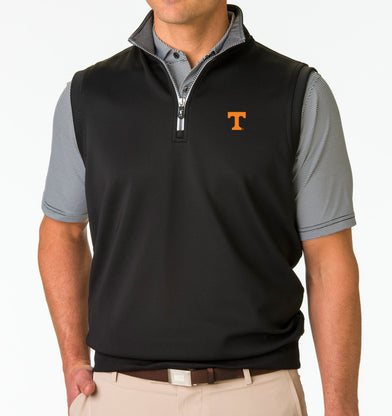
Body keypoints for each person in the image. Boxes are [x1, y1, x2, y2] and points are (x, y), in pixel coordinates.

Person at [38, 2, 361, 415]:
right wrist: (73, 359)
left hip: (256, 394)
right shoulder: (90, 94)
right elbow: (61, 231)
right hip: (120, 395)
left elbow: (329, 260)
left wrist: (341, 406)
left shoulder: (297, 92)